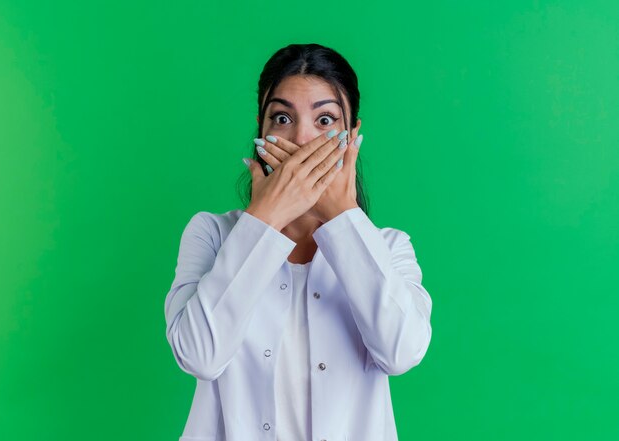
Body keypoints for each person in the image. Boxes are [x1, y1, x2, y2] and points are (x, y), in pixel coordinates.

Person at [164, 43, 433, 441]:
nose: (303, 138)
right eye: (283, 117)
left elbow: (400, 352)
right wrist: (266, 217)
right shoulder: (212, 234)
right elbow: (199, 355)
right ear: (261, 129)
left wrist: (342, 216)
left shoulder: (389, 248)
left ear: (352, 135)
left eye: (325, 119)